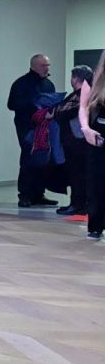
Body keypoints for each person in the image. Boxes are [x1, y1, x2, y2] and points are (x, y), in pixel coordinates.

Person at [8, 54, 58, 207]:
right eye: (43, 65)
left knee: (42, 158)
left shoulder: (49, 84)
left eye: (48, 65)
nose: (47, 68)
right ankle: (24, 195)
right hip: (27, 126)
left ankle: (38, 194)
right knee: (28, 158)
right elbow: (11, 104)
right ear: (34, 66)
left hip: (43, 126)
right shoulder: (21, 83)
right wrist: (33, 103)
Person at [55, 66, 94, 216]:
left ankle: (78, 204)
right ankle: (82, 204)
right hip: (84, 141)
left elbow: (61, 113)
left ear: (76, 78)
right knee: (83, 174)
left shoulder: (79, 96)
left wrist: (54, 111)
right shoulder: (92, 95)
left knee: (77, 174)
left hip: (76, 141)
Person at [78, 53, 105, 240]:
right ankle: (95, 226)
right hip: (97, 137)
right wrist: (85, 128)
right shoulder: (93, 79)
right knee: (96, 182)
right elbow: (83, 107)